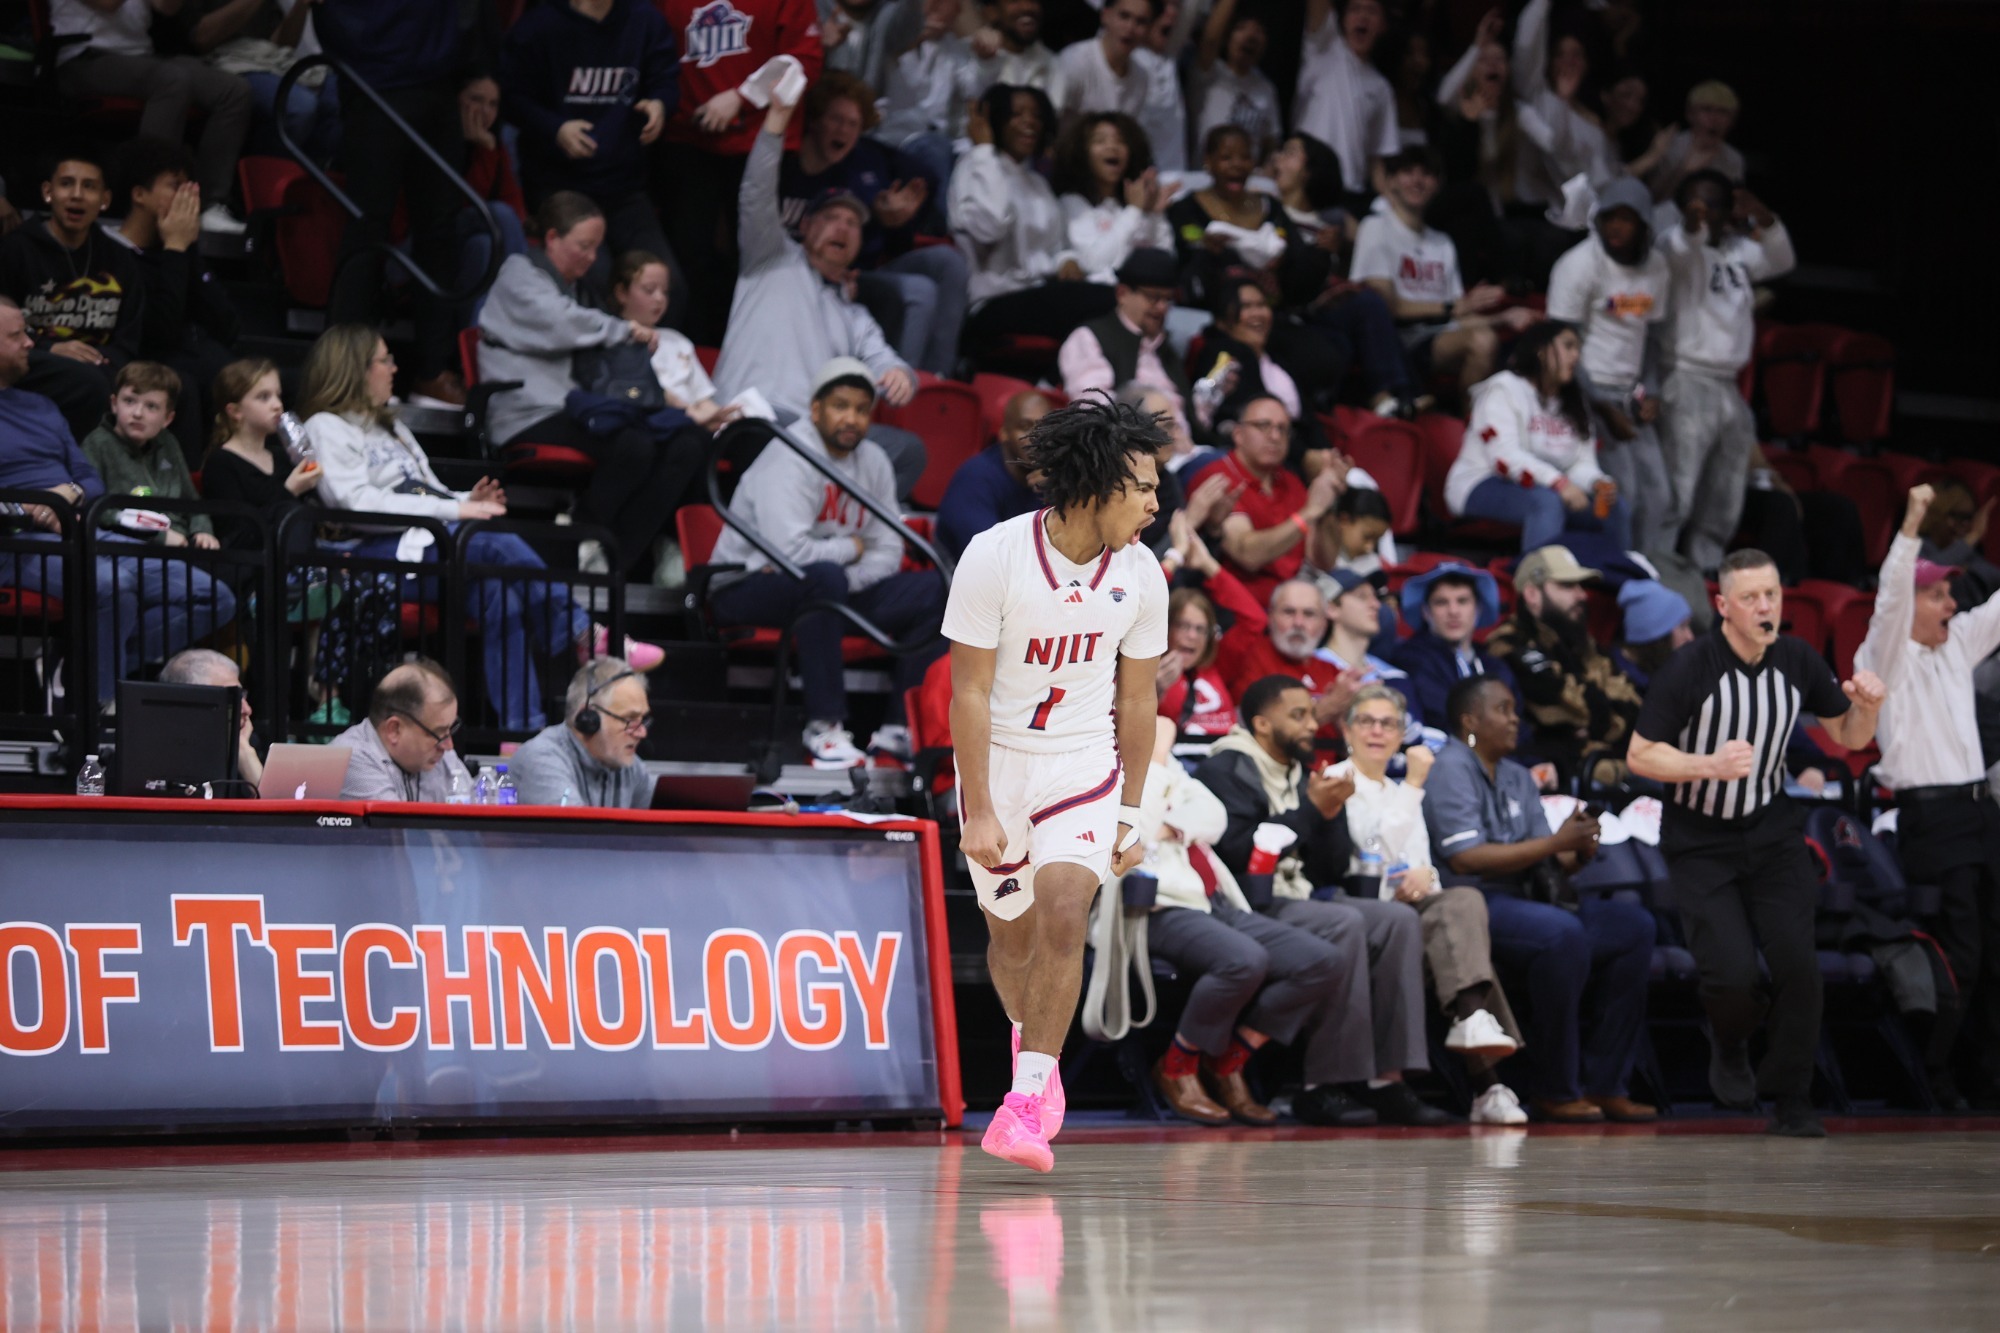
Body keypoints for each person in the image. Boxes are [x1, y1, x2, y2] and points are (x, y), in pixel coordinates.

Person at [945, 392, 1169, 1171]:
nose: (1154, 500)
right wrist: (976, 808)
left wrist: (1132, 810)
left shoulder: (1143, 575)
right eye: (1142, 485)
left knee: (1065, 908)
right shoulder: (994, 555)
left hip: (1081, 763)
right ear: (1096, 482)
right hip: (998, 762)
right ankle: (1029, 1041)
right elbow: (966, 691)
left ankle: (1024, 1102)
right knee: (1010, 941)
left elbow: (1137, 698)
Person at [1628, 548, 1888, 1137]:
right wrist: (1707, 764)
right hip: (1699, 839)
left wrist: (1868, 710)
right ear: (1723, 605)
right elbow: (1640, 754)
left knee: (1800, 965)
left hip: (1773, 833)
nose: (1765, 606)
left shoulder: (1796, 659)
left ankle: (1793, 1097)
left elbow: (1846, 734)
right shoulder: (1690, 666)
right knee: (1733, 975)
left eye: (1771, 594)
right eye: (1750, 597)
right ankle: (1729, 1040)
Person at [301, 325, 659, 732]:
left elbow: (427, 489)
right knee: (490, 545)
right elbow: (354, 505)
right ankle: (585, 635)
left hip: (425, 544)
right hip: (370, 556)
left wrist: (466, 500)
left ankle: (521, 734)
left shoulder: (392, 427)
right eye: (384, 360)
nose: (394, 368)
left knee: (499, 593)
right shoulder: (324, 426)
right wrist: (454, 510)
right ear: (354, 369)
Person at [1196, 675, 1455, 1127]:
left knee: (1396, 920)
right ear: (1261, 724)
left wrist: (1329, 815)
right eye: (1298, 716)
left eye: (1312, 714)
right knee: (1344, 923)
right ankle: (1325, 1085)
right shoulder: (1227, 768)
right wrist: (1311, 811)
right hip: (1242, 903)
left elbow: (1327, 869)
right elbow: (1234, 850)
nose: (1312, 725)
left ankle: (1388, 1079)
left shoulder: (1300, 769)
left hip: (1293, 895)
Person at [1427, 676, 1660, 1123]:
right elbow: (1465, 857)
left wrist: (1577, 851)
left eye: (1515, 709)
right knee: (1562, 935)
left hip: (1528, 896)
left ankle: (1608, 1084)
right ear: (1469, 720)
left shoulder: (1516, 775)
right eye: (1504, 710)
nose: (1516, 719)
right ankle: (1554, 1088)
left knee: (1634, 927)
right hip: (1474, 904)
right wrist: (1554, 845)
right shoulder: (1451, 768)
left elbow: (1545, 864)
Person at [709, 358, 946, 767]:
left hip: (827, 588)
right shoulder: (788, 455)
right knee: (823, 577)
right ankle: (825, 727)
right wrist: (853, 549)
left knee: (940, 590)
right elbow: (792, 554)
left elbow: (889, 551)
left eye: (861, 409)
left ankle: (897, 730)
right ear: (816, 409)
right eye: (840, 406)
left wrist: (845, 574)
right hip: (741, 586)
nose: (851, 418)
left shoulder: (873, 463)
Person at [0, 299, 234, 701]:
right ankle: (99, 710)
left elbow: (89, 480)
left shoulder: (41, 406)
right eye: (16, 335)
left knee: (215, 597)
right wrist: (32, 509)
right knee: (116, 584)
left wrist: (67, 493)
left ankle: (81, 667)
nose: (29, 343)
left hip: (82, 528)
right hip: (19, 543)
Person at [711, 76, 927, 498]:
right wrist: (775, 122)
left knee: (907, 451)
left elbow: (887, 362)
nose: (843, 227)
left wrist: (900, 375)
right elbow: (755, 191)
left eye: (853, 224)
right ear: (806, 226)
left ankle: (840, 528)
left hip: (813, 437)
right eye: (832, 218)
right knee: (781, 448)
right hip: (754, 416)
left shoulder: (854, 315)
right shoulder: (770, 257)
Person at [1134, 716, 1355, 1125]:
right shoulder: (1099, 766)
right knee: (1244, 959)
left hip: (1212, 897)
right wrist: (1158, 760)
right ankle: (1177, 1067)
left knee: (1322, 961)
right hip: (1154, 906)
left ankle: (1228, 1061)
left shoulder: (1177, 773)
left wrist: (1170, 824)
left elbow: (1213, 818)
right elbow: (1136, 828)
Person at [1856, 486, 2000, 1111]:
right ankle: (1931, 1074)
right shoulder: (1887, 657)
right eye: (1937, 594)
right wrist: (1913, 522)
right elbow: (1890, 601)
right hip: (1931, 817)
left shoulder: (1957, 646)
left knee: (1991, 949)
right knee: (1960, 950)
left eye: (1949, 595)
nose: (1950, 603)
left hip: (1977, 811)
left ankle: (1981, 1075)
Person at [1331, 685, 1529, 1124]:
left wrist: (1428, 877)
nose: (1378, 731)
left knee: (1462, 900)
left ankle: (1475, 1027)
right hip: (1359, 910)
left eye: (1389, 723)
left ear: (1402, 733)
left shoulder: (1399, 789)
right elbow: (1371, 847)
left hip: (1410, 908)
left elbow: (1420, 862)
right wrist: (1416, 784)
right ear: (1347, 730)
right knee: (1455, 939)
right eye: (1367, 721)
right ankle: (1487, 1081)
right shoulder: (1335, 781)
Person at [478, 192, 700, 581]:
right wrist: (623, 328)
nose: (592, 258)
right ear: (551, 238)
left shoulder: (579, 290)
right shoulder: (521, 271)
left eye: (597, 248)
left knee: (686, 444)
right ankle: (581, 532)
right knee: (633, 443)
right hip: (526, 412)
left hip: (578, 409)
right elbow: (559, 323)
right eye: (583, 246)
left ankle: (615, 557)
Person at [313, 0, 471, 405]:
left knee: (440, 228)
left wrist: (478, 70)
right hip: (374, 82)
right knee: (368, 225)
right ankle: (342, 373)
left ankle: (432, 370)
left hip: (440, 83)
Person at [654, 0, 826, 345]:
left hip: (761, 142)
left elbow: (805, 60)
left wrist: (743, 96)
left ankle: (752, 356)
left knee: (756, 263)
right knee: (687, 259)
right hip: (687, 140)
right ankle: (689, 359)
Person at [779, 71, 967, 375]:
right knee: (919, 291)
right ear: (814, 120)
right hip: (789, 275)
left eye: (853, 124)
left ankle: (934, 381)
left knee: (948, 261)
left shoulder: (860, 168)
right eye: (836, 119)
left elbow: (875, 251)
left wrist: (895, 223)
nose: (845, 130)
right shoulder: (783, 164)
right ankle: (899, 385)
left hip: (851, 274)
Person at [1657, 172, 1795, 572]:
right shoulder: (1674, 244)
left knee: (1724, 492)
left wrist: (1763, 218)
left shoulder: (1737, 252)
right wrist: (1692, 224)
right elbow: (1683, 246)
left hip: (1728, 385)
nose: (1703, 213)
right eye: (1695, 205)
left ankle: (1704, 568)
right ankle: (1660, 565)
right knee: (1678, 488)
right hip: (1685, 378)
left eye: (1712, 204)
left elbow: (1782, 259)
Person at [1547, 177, 1673, 556]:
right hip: (1584, 391)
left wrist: (1649, 390)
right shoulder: (1579, 264)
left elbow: (1650, 337)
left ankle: (1649, 572)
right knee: (1624, 493)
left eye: (1627, 219)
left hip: (1627, 393)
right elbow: (1559, 344)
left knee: (1659, 495)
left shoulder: (1657, 268)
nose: (1617, 226)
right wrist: (1599, 404)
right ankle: (1615, 568)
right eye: (1610, 217)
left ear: (1645, 225)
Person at [48, 0, 250, 235]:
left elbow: (167, 7)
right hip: (83, 55)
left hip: (138, 55)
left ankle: (209, 205)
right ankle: (148, 205)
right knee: (172, 81)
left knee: (233, 92)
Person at [1350, 147, 1535, 403]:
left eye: (1426, 174)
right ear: (1390, 181)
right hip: (1392, 343)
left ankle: (1478, 424)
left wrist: (1504, 318)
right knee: (1481, 341)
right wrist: (1450, 307)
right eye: (1407, 172)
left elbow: (1457, 317)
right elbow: (1386, 306)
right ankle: (1469, 423)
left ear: (1437, 184)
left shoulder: (1443, 243)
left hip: (1438, 337)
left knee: (1523, 347)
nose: (1417, 180)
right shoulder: (1375, 228)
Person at [951, 83, 1118, 361]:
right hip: (992, 301)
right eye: (1017, 114)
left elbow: (1054, 246)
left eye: (1037, 116)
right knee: (1111, 301)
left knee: (1111, 302)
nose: (1029, 121)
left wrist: (1065, 260)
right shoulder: (974, 165)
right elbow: (990, 227)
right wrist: (983, 150)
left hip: (1039, 294)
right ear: (997, 119)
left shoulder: (1037, 182)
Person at [105, 138, 240, 460]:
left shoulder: (180, 248)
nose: (188, 198)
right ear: (139, 195)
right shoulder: (113, 255)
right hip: (148, 363)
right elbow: (157, 333)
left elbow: (228, 325)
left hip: (205, 358)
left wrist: (186, 249)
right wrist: (176, 250)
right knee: (188, 386)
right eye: (175, 187)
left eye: (191, 188)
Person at [1448, 320, 1628, 553]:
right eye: (1568, 346)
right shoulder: (1503, 388)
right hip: (1482, 482)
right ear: (1541, 351)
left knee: (1613, 507)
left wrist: (1596, 482)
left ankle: (1616, 581)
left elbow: (1580, 463)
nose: (1575, 356)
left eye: (1578, 349)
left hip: (1547, 486)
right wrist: (1559, 483)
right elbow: (1503, 458)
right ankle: (1538, 582)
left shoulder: (1575, 402)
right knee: (1546, 502)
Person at [0, 150, 143, 440]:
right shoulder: (14, 250)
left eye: (89, 186)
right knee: (88, 383)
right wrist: (49, 348)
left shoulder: (120, 259)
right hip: (31, 357)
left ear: (105, 200)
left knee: (174, 385)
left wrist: (99, 360)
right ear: (48, 192)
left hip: (100, 363)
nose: (77, 195)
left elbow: (128, 338)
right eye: (66, 184)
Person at [1485, 546, 1643, 787]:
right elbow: (1575, 708)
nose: (1581, 595)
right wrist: (1603, 713)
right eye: (1567, 586)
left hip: (1611, 762)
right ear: (1532, 594)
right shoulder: (1508, 644)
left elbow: (1634, 704)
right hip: (1562, 773)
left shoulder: (1581, 641)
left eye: (1580, 586)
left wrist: (1601, 716)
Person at [1201, 396, 1341, 609]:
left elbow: (1324, 561)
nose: (1275, 436)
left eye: (1282, 429)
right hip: (1239, 607)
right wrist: (1310, 512)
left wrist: (1327, 502)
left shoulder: (1292, 482)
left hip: (1294, 605)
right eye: (1263, 426)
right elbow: (1247, 554)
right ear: (1238, 434)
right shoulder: (1219, 477)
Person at [610, 251, 768, 431]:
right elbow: (636, 391)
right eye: (649, 290)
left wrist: (723, 416)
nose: (659, 298)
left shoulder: (677, 341)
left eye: (665, 291)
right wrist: (690, 412)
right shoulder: (612, 337)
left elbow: (703, 399)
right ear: (622, 292)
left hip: (692, 425)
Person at [175, 0, 337, 164]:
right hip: (213, 60)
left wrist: (301, 6)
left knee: (338, 94)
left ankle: (314, 179)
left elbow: (282, 44)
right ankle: (262, 180)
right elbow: (202, 38)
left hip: (262, 57)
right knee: (299, 107)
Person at [79, 362, 216, 553]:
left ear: (167, 418)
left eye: (151, 406)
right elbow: (97, 510)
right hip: (128, 544)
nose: (137, 413)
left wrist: (202, 530)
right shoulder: (97, 443)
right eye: (129, 401)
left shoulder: (168, 442)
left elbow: (191, 501)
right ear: (114, 404)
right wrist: (158, 537)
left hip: (181, 542)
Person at [1057, 248, 1189, 436]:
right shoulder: (1089, 337)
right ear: (1122, 293)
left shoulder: (1165, 350)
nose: (1162, 308)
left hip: (1184, 451)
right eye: (1153, 297)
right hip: (1131, 450)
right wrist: (1163, 432)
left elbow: (1190, 418)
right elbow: (1093, 407)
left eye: (1167, 299)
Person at [510, 657, 659, 807]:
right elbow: (573, 827)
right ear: (589, 719)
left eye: (642, 720)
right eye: (629, 720)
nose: (642, 733)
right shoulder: (542, 759)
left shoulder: (629, 767)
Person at [1390, 561, 1515, 730]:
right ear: (1426, 612)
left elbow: (1516, 726)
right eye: (1441, 602)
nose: (1453, 611)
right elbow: (1445, 721)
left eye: (1462, 601)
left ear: (1478, 609)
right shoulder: (1412, 659)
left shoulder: (1496, 666)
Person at [1052, 113, 1172, 287]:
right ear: (1082, 152)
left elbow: (1164, 261)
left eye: (1120, 141)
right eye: (1100, 141)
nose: (1112, 147)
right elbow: (1095, 263)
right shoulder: (1072, 203)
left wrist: (1156, 215)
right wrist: (1134, 211)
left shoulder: (1134, 202)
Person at [1293, 0, 1397, 201]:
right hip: (1303, 183)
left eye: (1372, 11)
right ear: (1343, 20)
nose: (1363, 17)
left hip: (1348, 192)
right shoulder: (1324, 48)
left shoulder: (1381, 87)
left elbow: (1377, 158)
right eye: (1355, 9)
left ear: (1383, 24)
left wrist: (1391, 204)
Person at [332, 659, 473, 802]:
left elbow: (474, 814)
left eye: (450, 729)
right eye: (438, 734)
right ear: (394, 730)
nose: (449, 746)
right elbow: (394, 822)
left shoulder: (441, 756)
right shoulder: (350, 760)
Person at [936, 388, 1047, 558]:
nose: (1036, 437)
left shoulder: (1058, 478)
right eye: (1024, 427)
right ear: (1004, 434)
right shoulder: (975, 478)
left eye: (1044, 428)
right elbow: (989, 558)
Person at [158, 648, 261, 789]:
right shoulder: (159, 753)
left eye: (241, 695)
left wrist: (244, 753)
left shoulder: (247, 741)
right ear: (193, 703)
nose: (247, 710)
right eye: (232, 698)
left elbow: (278, 808)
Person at [1190, 0, 1279, 160]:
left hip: (1247, 179)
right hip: (1206, 176)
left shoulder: (1266, 88)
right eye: (1241, 28)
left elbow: (1271, 141)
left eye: (1259, 31)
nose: (1251, 36)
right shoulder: (1211, 72)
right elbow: (1210, 40)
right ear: (1227, 37)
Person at [1645, 81, 1745, 203]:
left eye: (1723, 112)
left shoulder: (1733, 159)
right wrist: (1684, 171)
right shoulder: (1670, 145)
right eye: (1706, 110)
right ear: (1690, 114)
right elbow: (1651, 196)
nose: (1714, 118)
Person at [1053, 0, 1151, 124]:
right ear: (1105, 16)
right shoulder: (1075, 62)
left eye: (1140, 22)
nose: (1130, 28)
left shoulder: (1142, 78)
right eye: (1124, 16)